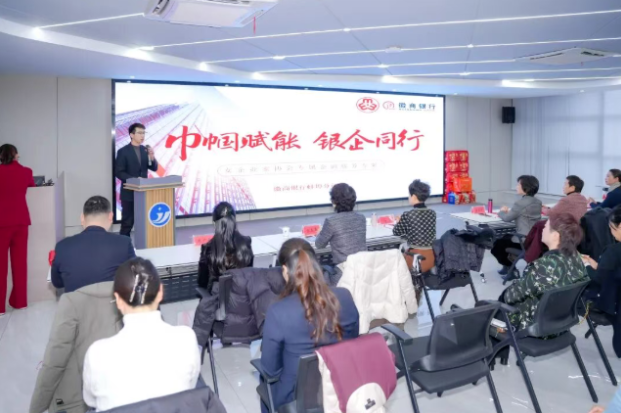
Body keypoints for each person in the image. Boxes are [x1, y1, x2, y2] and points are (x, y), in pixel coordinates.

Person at [83, 258, 200, 411]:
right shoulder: (186, 339)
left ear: (118, 300)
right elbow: (190, 387)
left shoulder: (97, 354)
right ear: (161, 292)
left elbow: (91, 401)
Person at [260, 238, 359, 413]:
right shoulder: (345, 296)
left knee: (265, 381)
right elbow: (353, 342)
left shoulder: (278, 312)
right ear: (315, 265)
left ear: (285, 271)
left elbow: (270, 370)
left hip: (295, 399)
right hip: (342, 386)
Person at [30, 281, 122, 413]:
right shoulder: (134, 288)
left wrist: (36, 407)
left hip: (80, 394)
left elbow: (56, 359)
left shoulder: (71, 302)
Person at [502, 212, 587, 331]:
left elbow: (510, 297)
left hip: (531, 326)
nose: (542, 229)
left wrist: (514, 286)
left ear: (555, 235)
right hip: (560, 326)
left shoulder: (543, 266)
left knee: (488, 311)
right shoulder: (578, 260)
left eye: (546, 227)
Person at [51, 196, 136, 293]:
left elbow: (57, 283)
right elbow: (135, 276)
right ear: (111, 216)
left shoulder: (62, 246)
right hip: (110, 302)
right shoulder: (124, 243)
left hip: (75, 302)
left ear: (82, 217)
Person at [0, 144, 35, 315]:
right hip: (21, 222)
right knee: (20, 264)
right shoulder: (26, 172)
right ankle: (20, 302)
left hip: (2, 223)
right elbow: (32, 186)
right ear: (16, 155)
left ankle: (0, 307)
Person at [582, 205, 621, 358]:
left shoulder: (613, 251)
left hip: (612, 304)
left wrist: (586, 266)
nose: (610, 232)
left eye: (611, 228)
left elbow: (599, 280)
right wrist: (599, 265)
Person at [314, 183, 367, 285]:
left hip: (343, 274)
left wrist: (320, 232)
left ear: (334, 202)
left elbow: (319, 245)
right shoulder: (361, 218)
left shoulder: (331, 221)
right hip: (363, 271)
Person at [198, 202, 254, 292]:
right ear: (234, 220)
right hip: (242, 297)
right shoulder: (246, 243)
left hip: (217, 298)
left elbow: (202, 283)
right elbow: (249, 274)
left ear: (215, 224)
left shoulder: (207, 248)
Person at [492, 175, 542, 275]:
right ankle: (508, 267)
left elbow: (507, 218)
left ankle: (510, 269)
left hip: (523, 240)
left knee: (497, 244)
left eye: (519, 184)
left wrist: (501, 211)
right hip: (534, 239)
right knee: (505, 237)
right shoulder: (538, 202)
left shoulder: (520, 203)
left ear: (526, 187)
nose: (516, 187)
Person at [115, 123, 159, 237]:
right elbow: (119, 172)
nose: (142, 135)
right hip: (129, 194)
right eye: (139, 133)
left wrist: (152, 157)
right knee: (127, 224)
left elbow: (154, 168)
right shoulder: (123, 151)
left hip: (144, 193)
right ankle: (124, 246)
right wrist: (134, 180)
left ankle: (143, 246)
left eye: (143, 133)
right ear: (131, 135)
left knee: (144, 223)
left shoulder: (145, 150)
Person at [393, 179, 436, 273]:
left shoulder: (408, 215)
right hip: (431, 258)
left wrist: (399, 221)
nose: (408, 197)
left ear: (414, 196)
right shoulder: (432, 213)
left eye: (409, 195)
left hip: (415, 259)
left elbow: (396, 232)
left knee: (393, 259)